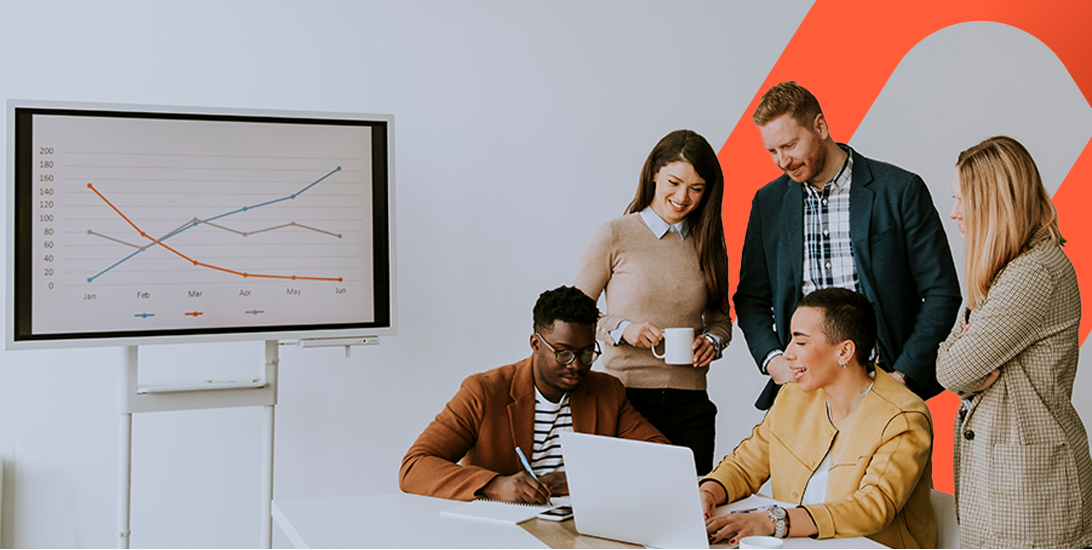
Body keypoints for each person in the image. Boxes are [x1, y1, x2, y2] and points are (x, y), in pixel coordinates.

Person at [733, 81, 961, 409]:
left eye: (790, 145)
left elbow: (941, 292)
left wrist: (903, 376)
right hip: (803, 395)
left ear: (820, 127)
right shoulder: (768, 204)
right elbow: (751, 298)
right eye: (772, 151)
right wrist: (774, 362)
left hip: (886, 387)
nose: (782, 161)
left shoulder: (899, 191)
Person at [936, 136, 1092, 547]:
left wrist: (966, 345)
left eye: (961, 200)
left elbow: (952, 370)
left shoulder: (1031, 275)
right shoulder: (1009, 272)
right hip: (1011, 489)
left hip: (1029, 497)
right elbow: (957, 365)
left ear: (992, 203)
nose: (953, 212)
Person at [701, 288, 935, 548]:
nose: (787, 353)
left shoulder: (903, 417)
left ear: (844, 352)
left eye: (800, 342)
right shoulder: (793, 396)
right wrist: (709, 491)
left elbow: (872, 507)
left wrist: (773, 522)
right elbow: (746, 464)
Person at [399, 285, 668, 504]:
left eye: (586, 354)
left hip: (582, 524)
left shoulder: (606, 391)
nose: (575, 364)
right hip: (503, 531)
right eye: (563, 353)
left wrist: (584, 478)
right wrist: (495, 485)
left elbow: (663, 459)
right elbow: (414, 467)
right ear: (535, 344)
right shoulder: (483, 392)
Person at [575, 129, 732, 474]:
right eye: (674, 182)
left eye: (696, 189)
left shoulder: (709, 245)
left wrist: (713, 341)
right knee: (623, 509)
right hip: (625, 397)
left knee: (692, 506)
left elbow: (721, 318)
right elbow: (575, 314)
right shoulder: (615, 234)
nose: (682, 197)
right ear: (654, 174)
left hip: (691, 402)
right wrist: (622, 329)